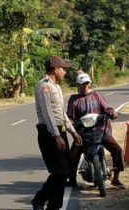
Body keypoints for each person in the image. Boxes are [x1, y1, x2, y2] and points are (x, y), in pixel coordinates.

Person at [31, 56, 82, 210]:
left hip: (60, 130)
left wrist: (72, 131)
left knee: (64, 171)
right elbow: (47, 114)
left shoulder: (57, 87)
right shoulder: (44, 86)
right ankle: (40, 199)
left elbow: (60, 113)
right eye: (63, 68)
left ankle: (54, 206)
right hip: (49, 133)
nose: (65, 72)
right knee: (60, 171)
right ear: (55, 69)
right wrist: (57, 136)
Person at [66, 72, 125, 187]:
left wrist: (111, 113)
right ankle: (72, 179)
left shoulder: (97, 95)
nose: (84, 86)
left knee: (117, 149)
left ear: (90, 84)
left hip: (101, 131)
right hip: (83, 134)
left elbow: (107, 108)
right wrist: (72, 124)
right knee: (73, 155)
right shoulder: (74, 100)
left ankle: (116, 178)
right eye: (82, 84)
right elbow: (69, 117)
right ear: (77, 85)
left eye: (86, 83)